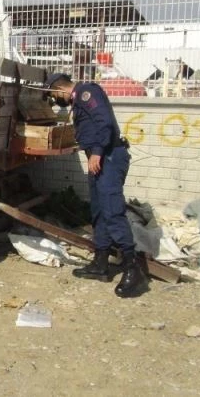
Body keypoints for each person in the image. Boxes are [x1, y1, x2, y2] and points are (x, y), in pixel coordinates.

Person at [45, 73, 147, 298]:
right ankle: (101, 262)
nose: (55, 100)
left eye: (53, 95)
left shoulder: (86, 93)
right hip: (99, 159)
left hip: (108, 157)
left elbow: (105, 123)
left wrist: (97, 153)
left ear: (59, 89)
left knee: (112, 211)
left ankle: (134, 269)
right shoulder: (79, 98)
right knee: (99, 211)